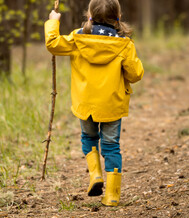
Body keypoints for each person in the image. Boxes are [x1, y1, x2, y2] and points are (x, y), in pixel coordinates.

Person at [44, 0, 144, 206]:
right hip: (111, 104)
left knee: (88, 138)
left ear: (90, 13)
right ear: (118, 16)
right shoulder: (124, 43)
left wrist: (53, 21)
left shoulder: (78, 37)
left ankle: (95, 175)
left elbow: (52, 44)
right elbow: (135, 75)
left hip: (85, 102)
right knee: (111, 146)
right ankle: (113, 195)